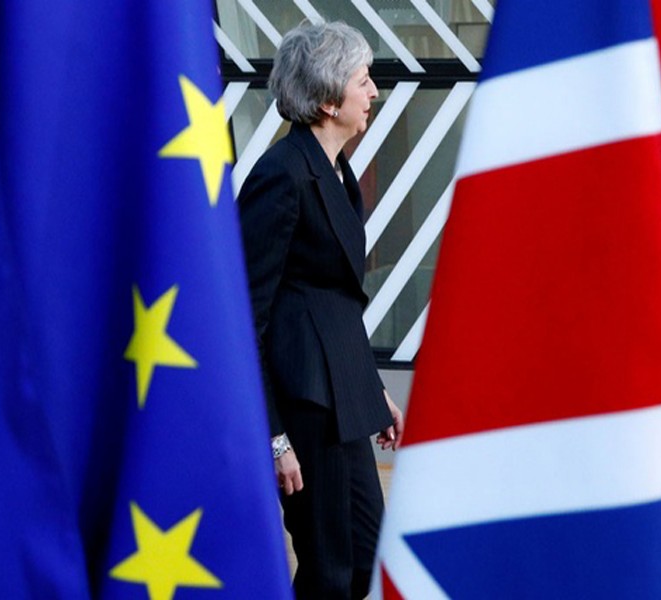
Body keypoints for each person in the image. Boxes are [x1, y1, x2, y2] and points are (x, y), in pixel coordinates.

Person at [236, 21, 405, 600]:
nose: (374, 92)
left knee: (365, 558)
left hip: (342, 400)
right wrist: (274, 438)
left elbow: (334, 300)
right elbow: (246, 320)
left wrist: (372, 391)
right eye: (364, 80)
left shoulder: (338, 170)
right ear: (330, 100)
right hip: (304, 407)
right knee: (329, 570)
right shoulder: (281, 176)